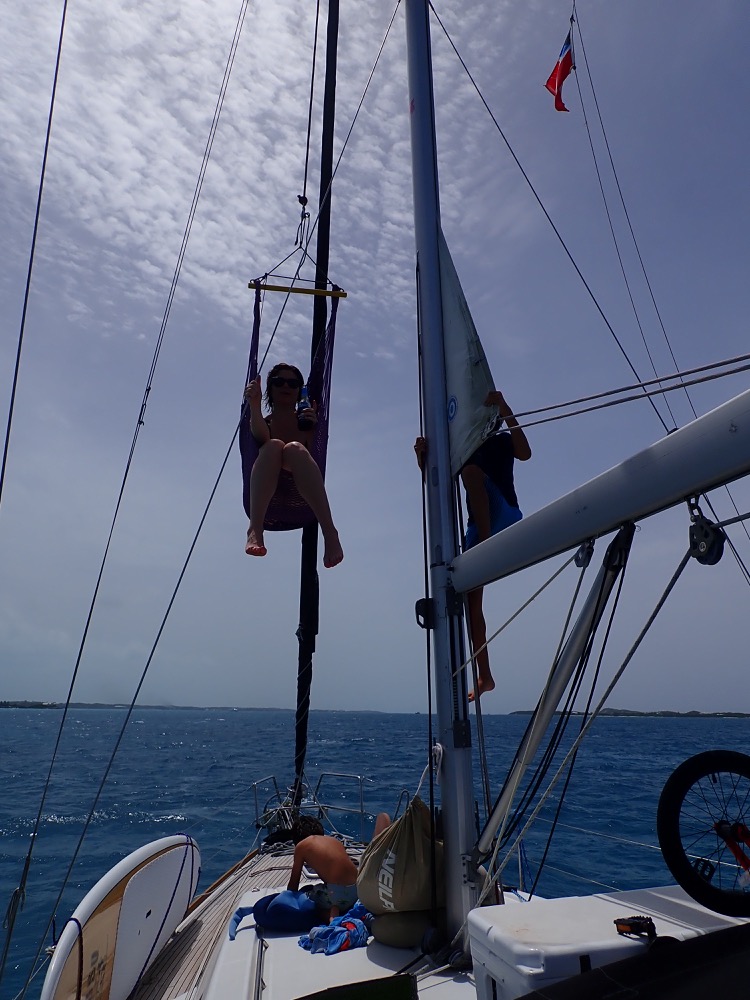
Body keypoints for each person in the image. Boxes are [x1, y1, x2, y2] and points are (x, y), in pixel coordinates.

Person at [414, 389, 531, 701]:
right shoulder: (461, 449)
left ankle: (485, 546)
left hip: (503, 514)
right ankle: (485, 676)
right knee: (472, 605)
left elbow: (525, 453)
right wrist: (422, 460)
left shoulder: (500, 441)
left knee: (471, 472)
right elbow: (436, 487)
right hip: (477, 529)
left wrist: (504, 407)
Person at [244, 363, 343, 567]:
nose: (286, 386)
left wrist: (313, 429)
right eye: (279, 381)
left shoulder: (307, 422)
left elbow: (314, 454)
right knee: (273, 446)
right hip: (265, 500)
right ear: (270, 388)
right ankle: (255, 529)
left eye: (293, 383)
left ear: (300, 390)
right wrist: (254, 405)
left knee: (294, 448)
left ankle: (330, 532)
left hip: (302, 498)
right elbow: (260, 437)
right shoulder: (263, 423)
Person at [287, 814, 391, 922]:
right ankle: (344, 908)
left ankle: (330, 914)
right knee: (333, 891)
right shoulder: (333, 841)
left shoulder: (301, 846)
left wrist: (289, 898)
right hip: (357, 891)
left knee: (309, 898)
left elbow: (293, 884)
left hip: (336, 896)